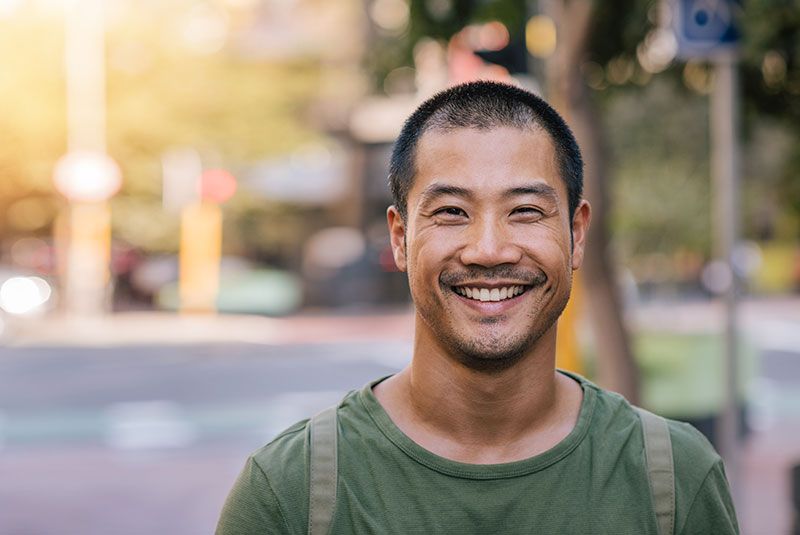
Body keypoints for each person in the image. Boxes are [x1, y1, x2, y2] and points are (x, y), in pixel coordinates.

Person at [215, 81, 739, 534]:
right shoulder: (293, 492)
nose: (489, 249)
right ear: (400, 237)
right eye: (451, 212)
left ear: (576, 235)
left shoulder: (673, 480)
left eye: (526, 211)